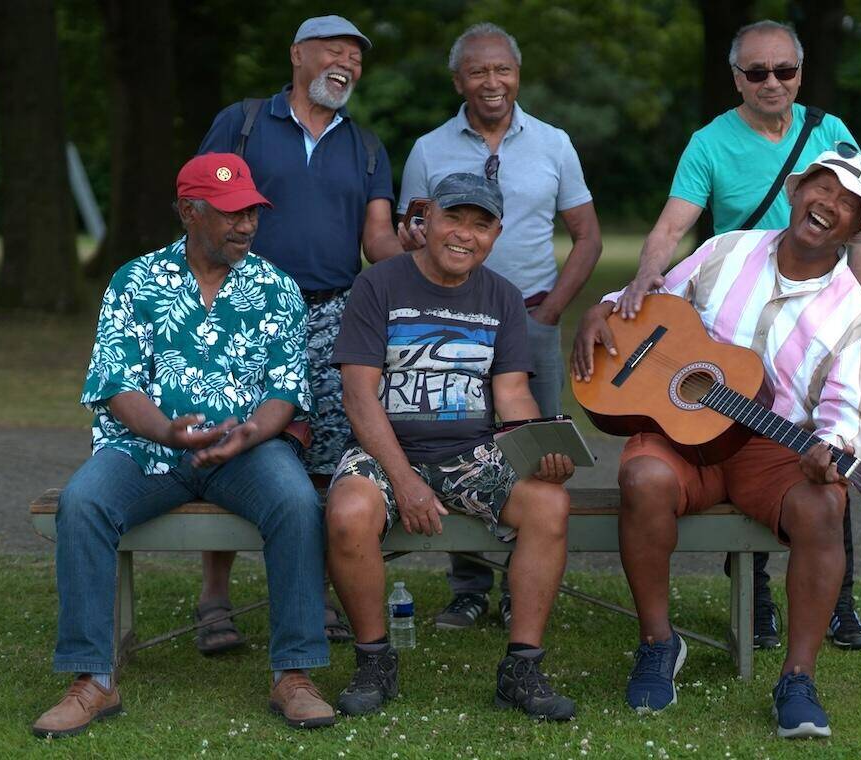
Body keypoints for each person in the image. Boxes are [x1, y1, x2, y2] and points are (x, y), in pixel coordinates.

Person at [573, 148, 861, 736]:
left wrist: (832, 448)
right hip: (682, 432)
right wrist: (605, 308)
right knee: (642, 477)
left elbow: (850, 410)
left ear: (854, 230)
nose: (829, 205)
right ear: (797, 192)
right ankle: (659, 644)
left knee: (825, 505)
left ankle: (797, 678)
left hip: (771, 447)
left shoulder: (852, 313)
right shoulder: (727, 250)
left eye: (848, 204)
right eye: (823, 188)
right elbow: (658, 305)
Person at [32, 154, 335, 737]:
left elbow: (286, 391)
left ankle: (294, 674)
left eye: (252, 211)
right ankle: (92, 679)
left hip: (248, 451)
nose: (245, 224)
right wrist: (168, 432)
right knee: (84, 502)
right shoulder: (135, 281)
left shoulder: (275, 287)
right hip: (148, 449)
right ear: (188, 211)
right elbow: (115, 384)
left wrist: (252, 432)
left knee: (297, 503)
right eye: (230, 213)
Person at [616, 19, 861, 651]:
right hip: (732, 310)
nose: (772, 83)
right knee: (734, 438)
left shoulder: (828, 132)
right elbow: (672, 226)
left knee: (823, 453)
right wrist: (640, 289)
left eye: (784, 70)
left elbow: (859, 220)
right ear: (736, 78)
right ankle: (755, 594)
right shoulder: (709, 142)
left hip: (807, 314)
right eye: (756, 72)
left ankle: (840, 601)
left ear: (800, 73)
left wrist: (857, 310)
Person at [324, 173, 579, 721]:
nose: (465, 235)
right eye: (454, 219)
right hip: (386, 447)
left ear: (497, 233)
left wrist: (540, 451)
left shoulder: (503, 298)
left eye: (481, 224)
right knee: (348, 511)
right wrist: (406, 481)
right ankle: (374, 659)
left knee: (549, 502)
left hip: (473, 452)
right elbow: (359, 396)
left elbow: (512, 394)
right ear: (426, 221)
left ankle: (522, 667)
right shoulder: (378, 286)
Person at [193, 14, 408, 652]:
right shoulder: (244, 122)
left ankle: (314, 595)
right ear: (296, 54)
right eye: (331, 51)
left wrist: (415, 254)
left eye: (356, 57)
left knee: (327, 457)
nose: (344, 64)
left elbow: (376, 241)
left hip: (333, 316)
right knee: (231, 442)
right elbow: (199, 204)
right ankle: (215, 601)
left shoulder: (366, 146)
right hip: (242, 310)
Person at [398, 22, 603, 632]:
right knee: (460, 441)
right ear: (459, 80)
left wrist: (550, 310)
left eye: (503, 70)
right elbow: (411, 235)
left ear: (518, 74)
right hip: (452, 320)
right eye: (479, 72)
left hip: (531, 315)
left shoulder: (553, 143)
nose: (493, 82)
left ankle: (524, 583)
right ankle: (468, 586)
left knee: (533, 451)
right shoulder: (430, 149)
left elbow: (587, 236)